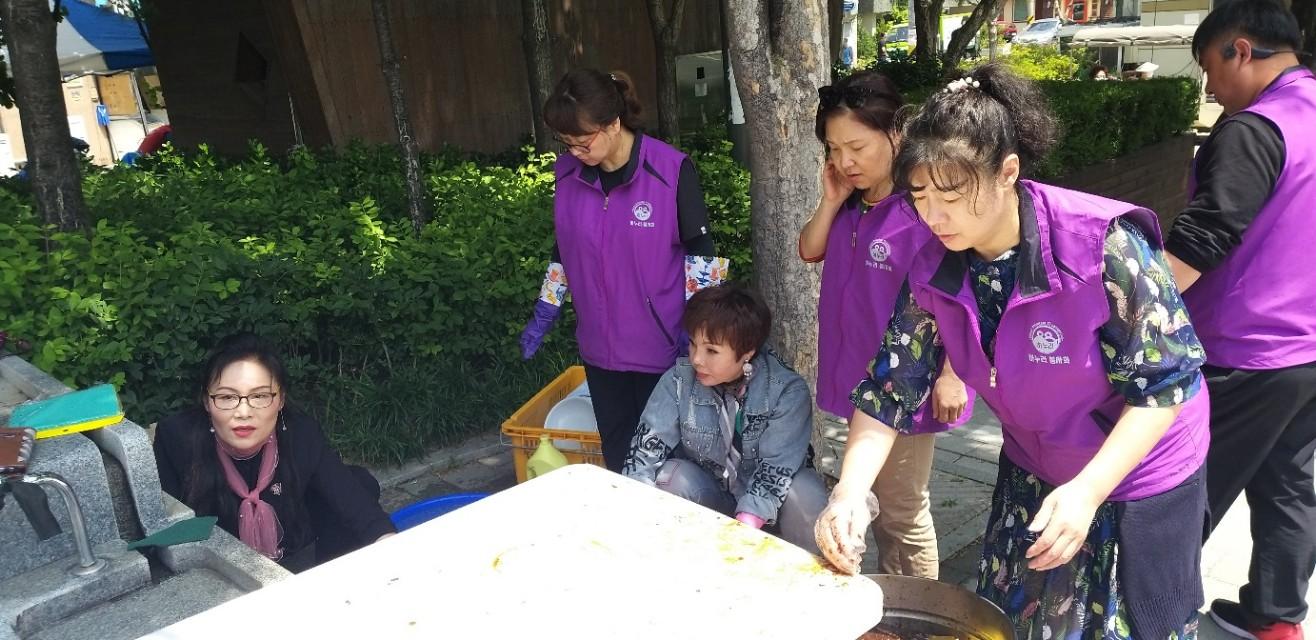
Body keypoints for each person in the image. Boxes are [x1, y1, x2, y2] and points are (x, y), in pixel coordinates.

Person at [814, 65, 1211, 640]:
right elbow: (890, 387)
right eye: (921, 196)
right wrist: (850, 491)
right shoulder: (932, 263)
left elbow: (1166, 383)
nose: (935, 216)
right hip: (1036, 457)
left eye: (952, 194)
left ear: (1007, 173)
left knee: (1121, 625)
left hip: (1135, 469)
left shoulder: (1101, 245)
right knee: (1015, 615)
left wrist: (1088, 491)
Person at [1163, 2, 1316, 638]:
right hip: (1306, 351)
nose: (1209, 88)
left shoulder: (1255, 128)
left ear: (1241, 50)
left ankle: (1148, 611)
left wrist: (1132, 316)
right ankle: (1274, 621)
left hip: (1243, 351)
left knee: (1180, 490)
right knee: (1288, 487)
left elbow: (1204, 236)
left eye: (1208, 69)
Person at [798, 70, 971, 578]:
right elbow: (809, 248)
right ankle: (891, 606)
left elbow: (962, 291)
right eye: (833, 149)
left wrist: (953, 373)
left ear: (896, 132)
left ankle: (920, 616)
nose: (844, 161)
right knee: (868, 500)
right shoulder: (854, 202)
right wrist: (830, 200)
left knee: (901, 512)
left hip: (907, 385)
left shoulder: (923, 206)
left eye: (856, 146)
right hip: (855, 374)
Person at [519, 69, 727, 471]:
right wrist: (545, 311)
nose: (574, 153)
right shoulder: (568, 175)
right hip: (599, 348)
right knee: (618, 458)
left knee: (666, 465)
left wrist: (700, 334)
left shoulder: (670, 171)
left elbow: (702, 261)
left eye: (582, 142)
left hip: (662, 349)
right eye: (566, 144)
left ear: (613, 124)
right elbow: (562, 250)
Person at [154, 333, 395, 572]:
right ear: (207, 402)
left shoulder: (300, 432)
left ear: (280, 400)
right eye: (227, 397)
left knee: (360, 482)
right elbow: (166, 531)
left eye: (259, 396)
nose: (244, 412)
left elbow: (352, 500)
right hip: (218, 566)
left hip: (295, 543)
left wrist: (390, 545)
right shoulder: (178, 439)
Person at [624, 284, 826, 552]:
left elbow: (775, 470)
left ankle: (812, 582)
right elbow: (644, 455)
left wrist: (744, 530)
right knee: (671, 477)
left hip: (771, 507)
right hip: (713, 497)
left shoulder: (786, 391)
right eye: (693, 344)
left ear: (747, 352)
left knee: (806, 492)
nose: (696, 359)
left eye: (711, 351)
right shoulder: (678, 380)